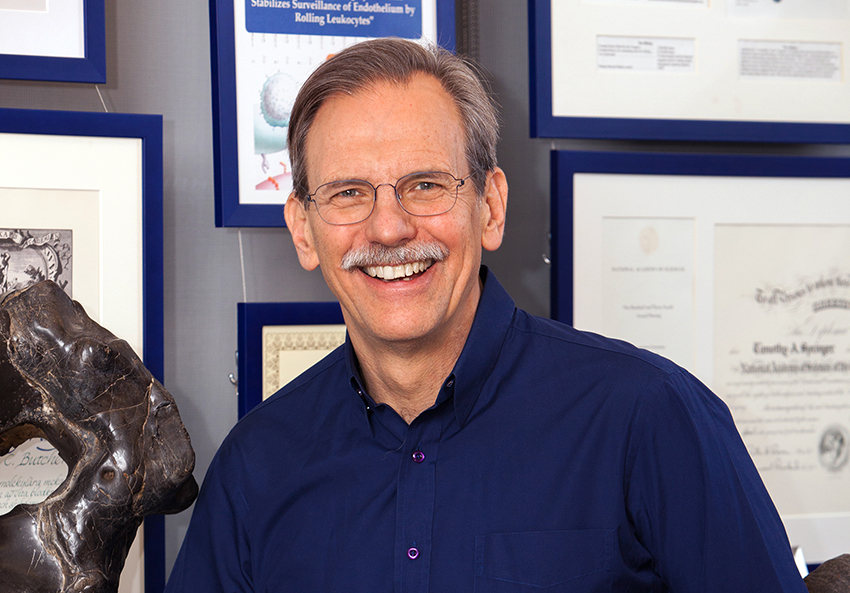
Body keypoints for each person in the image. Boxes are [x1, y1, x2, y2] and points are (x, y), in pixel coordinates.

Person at [166, 38, 808, 592]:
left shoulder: (650, 420)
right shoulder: (257, 467)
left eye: (425, 185)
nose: (388, 228)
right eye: (348, 193)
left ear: (491, 207)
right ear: (304, 231)